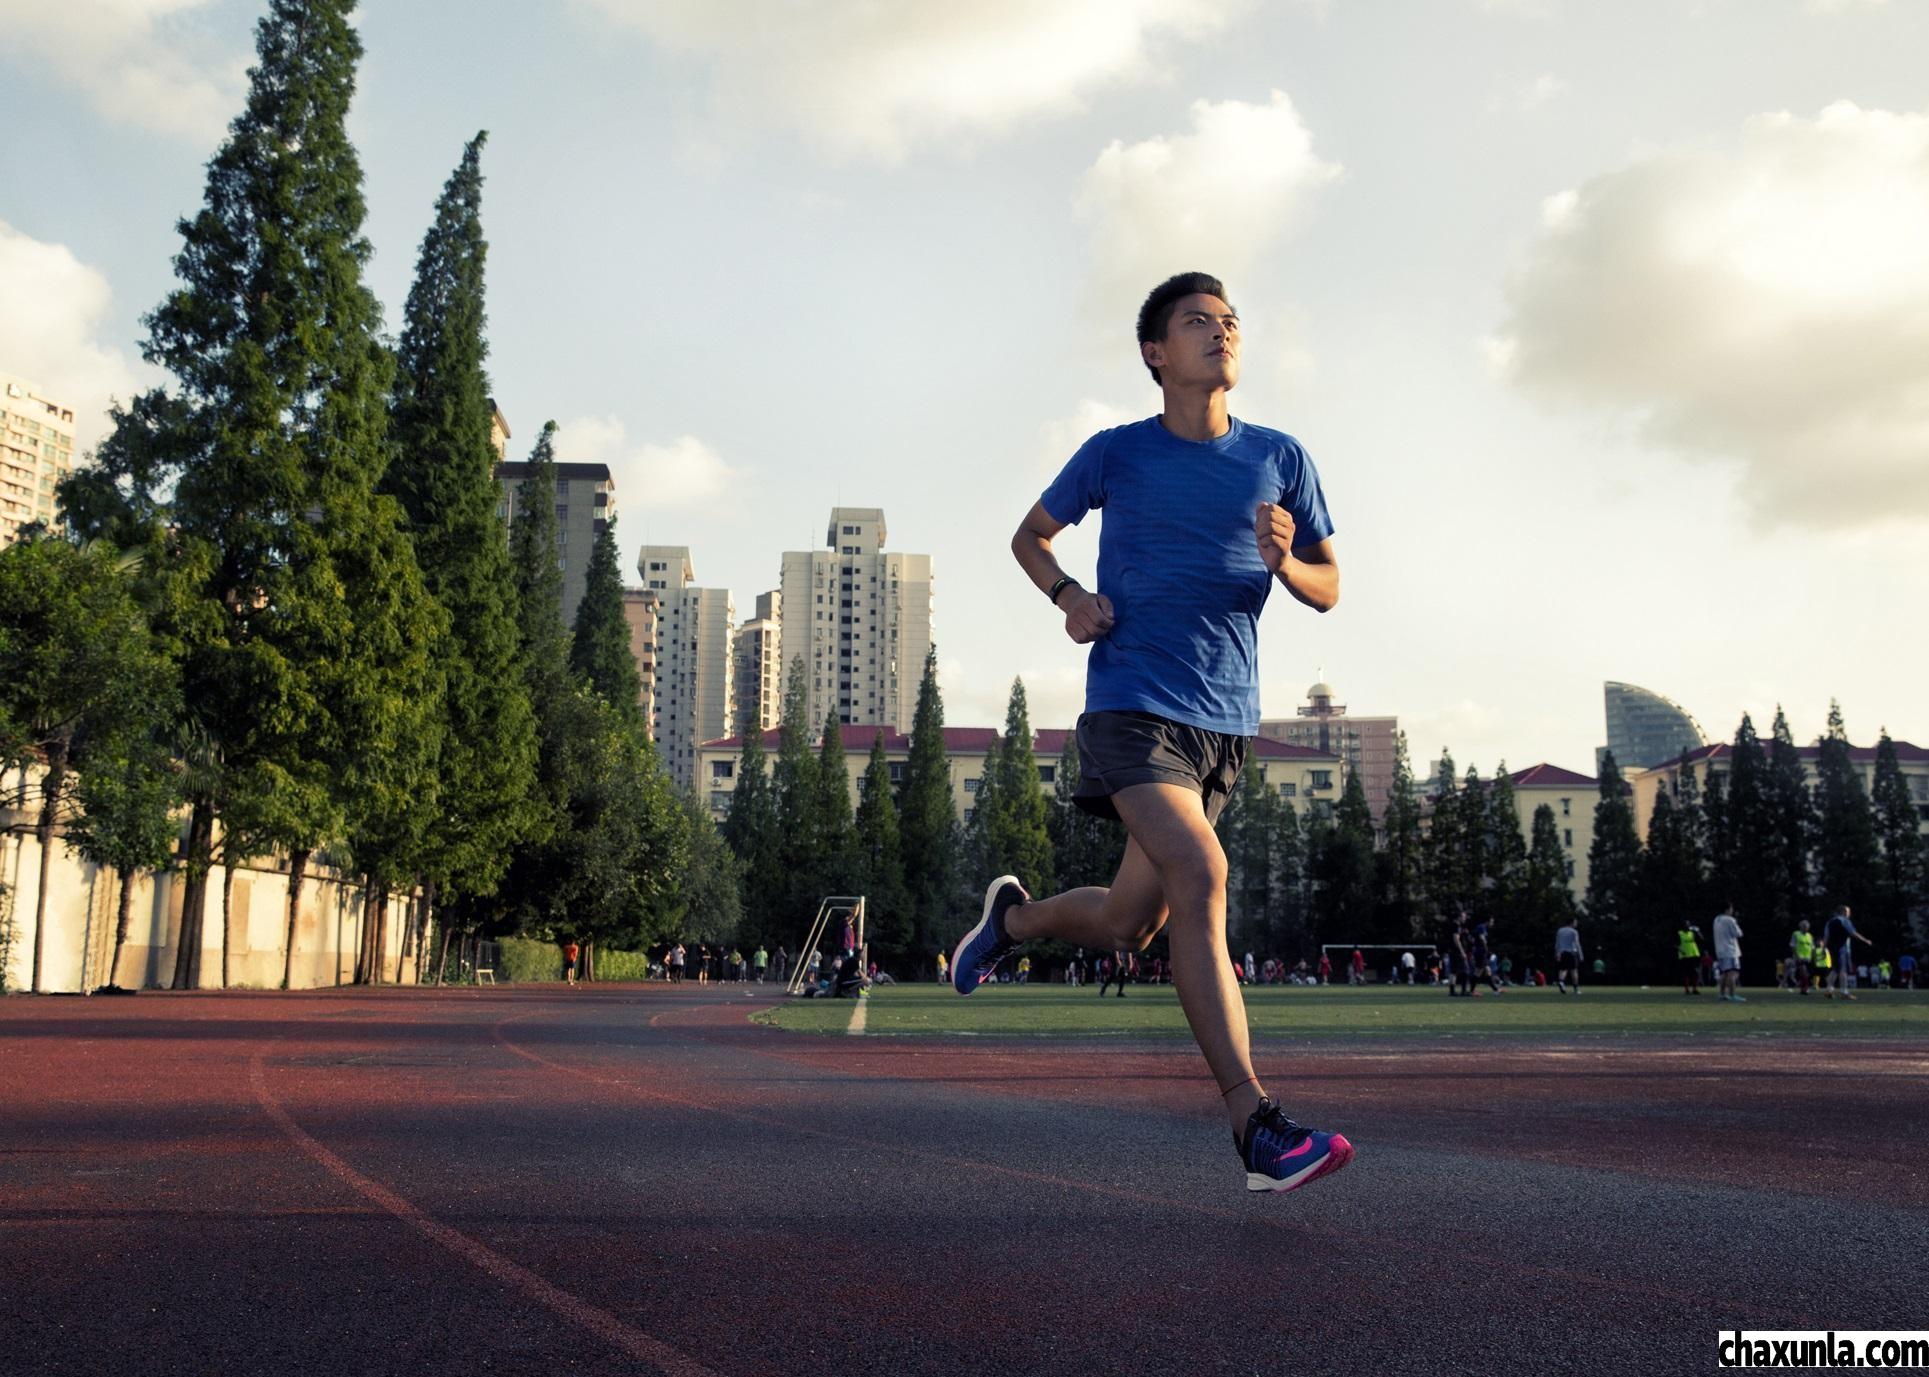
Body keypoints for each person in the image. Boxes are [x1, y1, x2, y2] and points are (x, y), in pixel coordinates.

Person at [948, 272, 1349, 1193]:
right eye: (1197, 321)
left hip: (1223, 727)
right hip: (1131, 703)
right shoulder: (1115, 452)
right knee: (1201, 872)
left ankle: (1011, 921)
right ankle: (1254, 1122)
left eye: (1230, 321)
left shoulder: (1280, 457)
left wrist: (1287, 565)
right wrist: (1068, 595)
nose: (1221, 331)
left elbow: (1331, 584)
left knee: (1133, 924)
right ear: (1154, 352)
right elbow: (1029, 535)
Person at [1822, 904, 1872, 1001]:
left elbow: (1826, 937)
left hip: (1832, 949)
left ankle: (1829, 990)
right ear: (1844, 912)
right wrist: (1865, 940)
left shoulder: (1830, 922)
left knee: (1835, 969)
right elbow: (1853, 933)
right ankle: (1844, 992)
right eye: (1848, 911)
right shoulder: (1844, 920)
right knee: (1843, 970)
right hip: (1842, 949)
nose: (1849, 914)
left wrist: (1824, 949)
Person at [1712, 905, 1744, 1002]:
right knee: (1732, 973)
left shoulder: (1716, 919)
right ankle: (1732, 995)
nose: (1732, 911)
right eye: (1731, 909)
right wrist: (1736, 923)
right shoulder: (1730, 920)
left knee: (1724, 973)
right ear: (1727, 909)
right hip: (1730, 950)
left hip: (1720, 950)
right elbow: (1738, 933)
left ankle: (1722, 994)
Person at [1554, 918, 1583, 994]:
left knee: (1563, 969)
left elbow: (1557, 943)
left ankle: (1561, 981)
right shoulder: (1574, 931)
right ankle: (1576, 989)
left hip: (1562, 953)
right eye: (1575, 922)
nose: (1576, 924)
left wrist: (1557, 953)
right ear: (1571, 923)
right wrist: (1581, 955)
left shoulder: (1560, 930)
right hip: (1572, 952)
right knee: (1574, 971)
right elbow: (1577, 943)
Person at [1789, 921, 1814, 995]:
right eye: (1804, 926)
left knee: (1806, 974)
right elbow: (1792, 946)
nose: (1806, 928)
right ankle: (1805, 989)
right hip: (1799, 957)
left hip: (1808, 958)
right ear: (1800, 927)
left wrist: (1812, 957)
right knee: (1804, 972)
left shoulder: (1810, 936)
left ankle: (1803, 989)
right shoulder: (1796, 934)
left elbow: (1812, 947)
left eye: (1807, 927)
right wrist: (1797, 956)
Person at [1677, 922, 1702, 995]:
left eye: (1688, 925)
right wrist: (1681, 950)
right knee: (1686, 973)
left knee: (1695, 973)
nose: (1687, 926)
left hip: (1693, 955)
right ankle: (1686, 989)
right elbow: (1675, 944)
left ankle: (1695, 989)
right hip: (1684, 956)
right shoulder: (1680, 933)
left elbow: (1701, 939)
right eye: (1686, 925)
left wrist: (1698, 931)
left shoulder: (1692, 933)